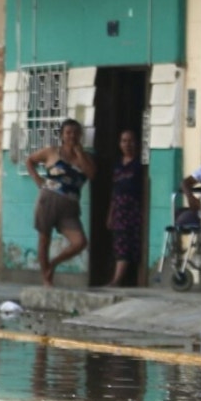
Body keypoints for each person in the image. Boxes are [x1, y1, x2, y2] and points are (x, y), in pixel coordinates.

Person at [26, 118, 96, 286]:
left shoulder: (86, 157)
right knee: (44, 239)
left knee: (80, 242)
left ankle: (54, 263)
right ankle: (47, 279)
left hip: (70, 207)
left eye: (75, 133)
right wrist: (37, 179)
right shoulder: (51, 152)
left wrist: (79, 153)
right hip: (48, 200)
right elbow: (30, 160)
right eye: (68, 132)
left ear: (80, 135)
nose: (72, 136)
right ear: (62, 135)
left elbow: (92, 175)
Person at [106, 130, 142, 287]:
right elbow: (115, 190)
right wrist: (110, 213)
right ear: (119, 144)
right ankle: (117, 279)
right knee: (120, 242)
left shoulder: (140, 164)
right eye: (124, 141)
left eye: (131, 140)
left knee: (129, 243)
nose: (128, 144)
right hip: (119, 210)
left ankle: (118, 280)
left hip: (133, 209)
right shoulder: (118, 165)